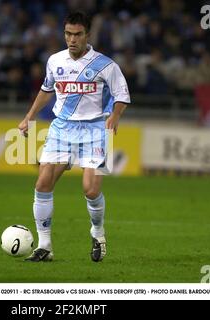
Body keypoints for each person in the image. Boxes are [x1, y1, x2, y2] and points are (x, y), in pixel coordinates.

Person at [18, 12, 130, 262]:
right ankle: (45, 246)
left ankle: (98, 232)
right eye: (68, 33)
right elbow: (46, 90)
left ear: (87, 35)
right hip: (62, 128)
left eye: (77, 34)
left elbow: (122, 94)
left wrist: (115, 115)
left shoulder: (105, 65)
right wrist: (29, 117)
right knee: (42, 184)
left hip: (94, 129)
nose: (72, 39)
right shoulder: (55, 61)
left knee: (90, 190)